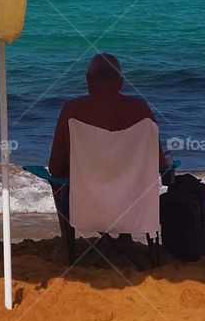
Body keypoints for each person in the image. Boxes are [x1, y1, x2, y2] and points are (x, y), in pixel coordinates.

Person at [47, 53, 167, 229]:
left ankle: (67, 247)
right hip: (132, 209)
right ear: (121, 82)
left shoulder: (72, 111)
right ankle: (125, 240)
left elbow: (55, 168)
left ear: (88, 80)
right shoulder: (141, 111)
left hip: (84, 209)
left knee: (56, 181)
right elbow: (160, 164)